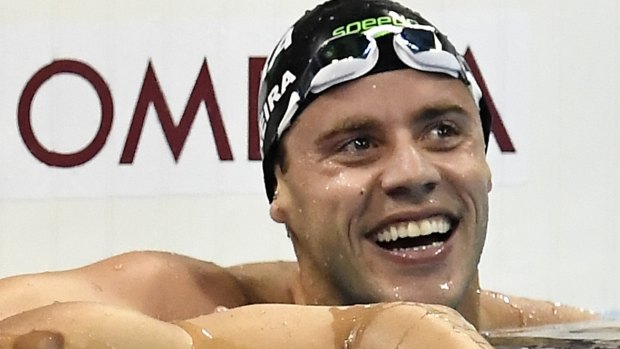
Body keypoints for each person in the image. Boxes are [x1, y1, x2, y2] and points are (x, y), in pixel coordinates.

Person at [0, 0, 597, 348]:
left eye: (443, 131)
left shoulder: (550, 331)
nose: (412, 172)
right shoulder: (194, 299)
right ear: (279, 188)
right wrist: (356, 334)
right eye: (358, 143)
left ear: (484, 161)